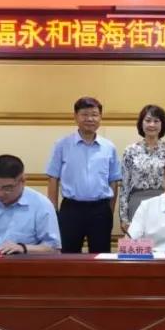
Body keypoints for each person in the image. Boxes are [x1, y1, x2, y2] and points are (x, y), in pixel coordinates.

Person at [46, 96, 122, 253]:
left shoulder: (109, 147)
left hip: (100, 210)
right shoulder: (62, 145)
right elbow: (53, 178)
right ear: (75, 116)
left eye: (94, 114)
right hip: (71, 209)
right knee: (68, 255)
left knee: (101, 255)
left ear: (100, 117)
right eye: (85, 114)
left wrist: (109, 210)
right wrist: (53, 211)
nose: (90, 119)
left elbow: (114, 181)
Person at [119, 104, 165, 232]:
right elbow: (124, 186)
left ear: (162, 125)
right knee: (139, 243)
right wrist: (123, 217)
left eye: (156, 121)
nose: (152, 124)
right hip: (137, 203)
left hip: (164, 203)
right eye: (148, 120)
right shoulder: (130, 150)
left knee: (163, 241)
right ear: (141, 123)